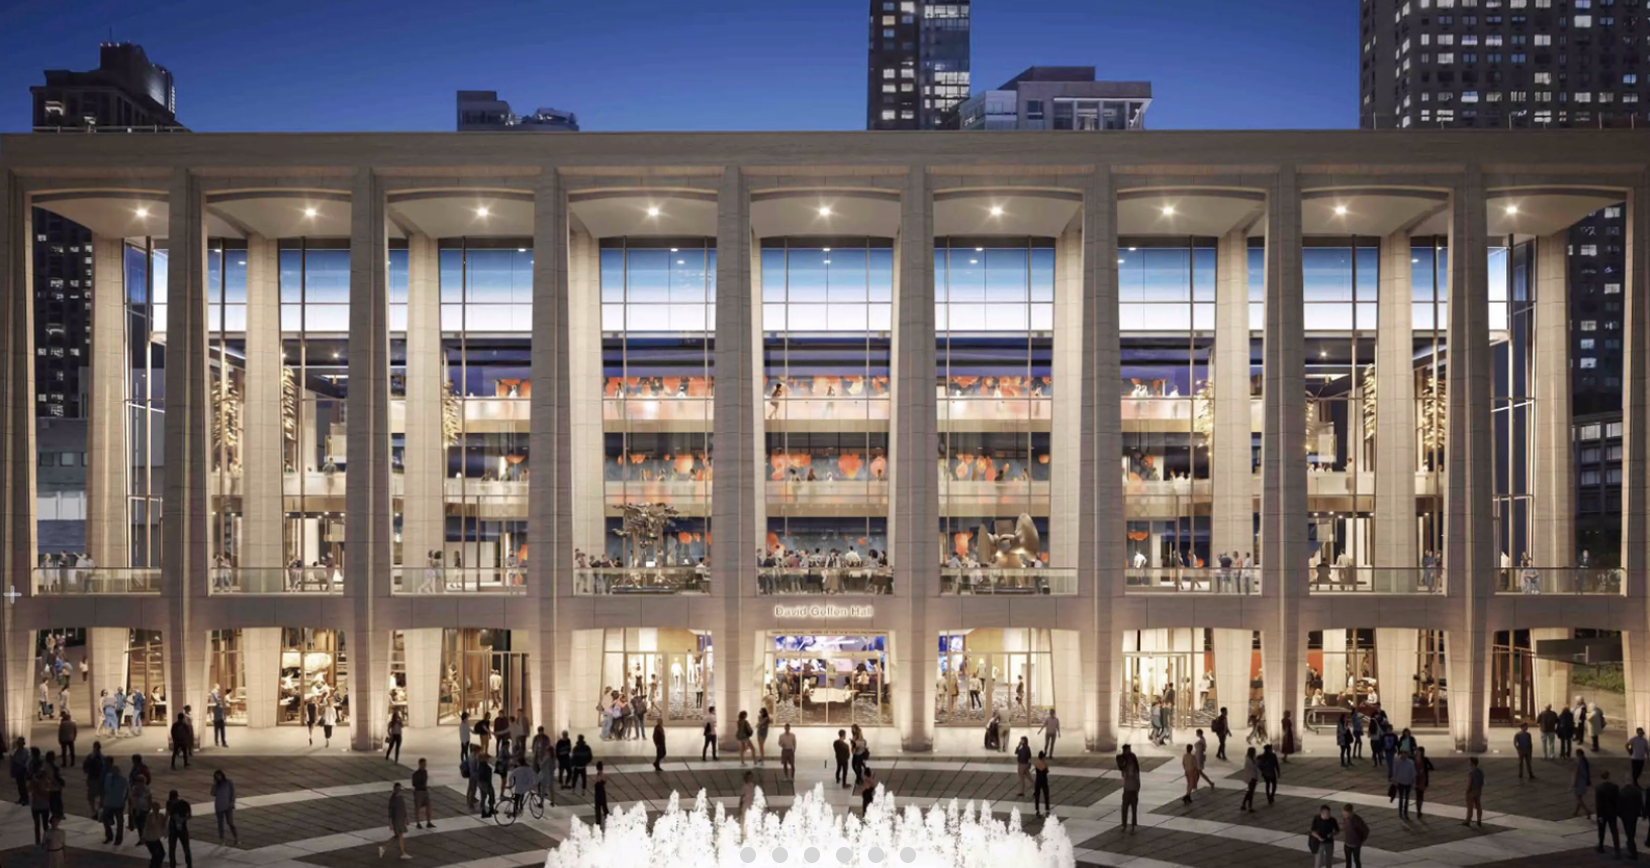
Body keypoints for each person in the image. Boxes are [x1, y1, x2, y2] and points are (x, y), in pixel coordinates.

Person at [376, 782, 410, 860]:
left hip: (400, 819)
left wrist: (406, 818)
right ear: (395, 790)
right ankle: (402, 853)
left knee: (398, 836)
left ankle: (384, 847)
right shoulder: (393, 799)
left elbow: (403, 808)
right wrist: (390, 823)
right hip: (397, 820)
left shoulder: (400, 797)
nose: (399, 790)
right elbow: (390, 812)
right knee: (400, 835)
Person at [1599, 770, 1624, 858]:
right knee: (1614, 830)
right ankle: (1617, 849)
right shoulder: (1615, 787)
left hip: (1603, 812)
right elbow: (1618, 800)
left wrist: (1599, 815)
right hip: (1612, 812)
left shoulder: (1599, 788)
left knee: (1602, 830)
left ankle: (1600, 846)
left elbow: (1599, 803)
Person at [101, 761, 128, 844]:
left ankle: (119, 838)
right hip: (108, 802)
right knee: (105, 819)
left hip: (118, 803)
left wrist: (124, 799)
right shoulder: (108, 777)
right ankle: (109, 835)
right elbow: (105, 789)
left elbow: (127, 790)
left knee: (119, 821)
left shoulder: (123, 780)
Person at [211, 770, 239, 846]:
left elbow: (233, 793)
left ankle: (236, 837)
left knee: (230, 823)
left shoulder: (228, 782)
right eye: (216, 776)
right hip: (219, 806)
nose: (218, 777)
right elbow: (212, 793)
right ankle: (222, 839)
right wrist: (214, 785)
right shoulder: (217, 784)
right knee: (220, 824)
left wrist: (232, 803)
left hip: (228, 806)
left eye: (219, 776)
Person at [166, 789, 193, 868]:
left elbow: (167, 814)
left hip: (173, 828)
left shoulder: (169, 803)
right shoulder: (185, 804)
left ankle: (172, 864)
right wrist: (183, 819)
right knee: (186, 847)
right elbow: (189, 816)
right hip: (182, 827)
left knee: (172, 847)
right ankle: (189, 864)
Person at [1117, 744, 1142, 830]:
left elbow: (1137, 770)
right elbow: (1121, 766)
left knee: (1133, 807)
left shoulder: (1132, 757)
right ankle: (1124, 824)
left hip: (1133, 788)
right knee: (1125, 807)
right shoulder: (1122, 758)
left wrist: (1138, 784)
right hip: (1128, 788)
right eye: (1128, 749)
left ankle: (1132, 825)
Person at [1620, 777, 1644, 861]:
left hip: (1625, 815)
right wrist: (1642, 813)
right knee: (1632, 830)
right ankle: (1630, 845)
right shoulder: (1637, 791)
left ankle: (1633, 851)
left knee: (1629, 833)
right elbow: (1640, 803)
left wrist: (1619, 814)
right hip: (1634, 815)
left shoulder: (1622, 792)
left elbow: (1619, 804)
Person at [1391, 750, 1416, 820]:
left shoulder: (1410, 762)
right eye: (1402, 754)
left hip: (1408, 782)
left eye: (1405, 754)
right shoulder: (1397, 761)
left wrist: (1413, 781)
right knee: (1401, 798)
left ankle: (1405, 813)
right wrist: (1394, 780)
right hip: (1400, 782)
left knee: (1407, 798)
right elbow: (1395, 770)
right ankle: (1400, 812)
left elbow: (1413, 772)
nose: (1403, 755)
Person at [141, 801, 166, 868]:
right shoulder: (150, 816)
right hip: (149, 839)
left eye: (157, 807)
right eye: (155, 807)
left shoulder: (161, 815)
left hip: (155, 838)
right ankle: (155, 866)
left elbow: (164, 824)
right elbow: (148, 826)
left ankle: (156, 866)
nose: (157, 809)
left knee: (160, 854)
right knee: (156, 854)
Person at [412, 758, 434, 829]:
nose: (424, 765)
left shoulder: (425, 772)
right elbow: (414, 784)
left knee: (429, 806)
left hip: (425, 791)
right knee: (417, 808)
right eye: (423, 764)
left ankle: (429, 822)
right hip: (419, 791)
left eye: (425, 764)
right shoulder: (416, 774)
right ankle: (418, 823)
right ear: (420, 764)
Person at [1413, 746, 1435, 817]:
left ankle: (1419, 809)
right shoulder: (1413, 760)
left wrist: (1426, 769)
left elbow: (1431, 767)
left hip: (1423, 779)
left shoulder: (1425, 759)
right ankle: (1418, 810)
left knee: (1421, 795)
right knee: (1418, 795)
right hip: (1415, 779)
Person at [1463, 757, 1485, 829]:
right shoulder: (1480, 772)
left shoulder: (1471, 773)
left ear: (1472, 763)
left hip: (1471, 791)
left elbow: (1470, 783)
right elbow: (1482, 782)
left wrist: (1467, 791)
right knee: (1478, 806)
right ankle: (1479, 820)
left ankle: (1468, 821)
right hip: (1478, 791)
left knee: (1470, 807)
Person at [474, 750, 496, 817]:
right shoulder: (484, 767)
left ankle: (485, 810)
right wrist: (489, 785)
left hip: (481, 783)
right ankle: (488, 810)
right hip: (485, 783)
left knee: (485, 797)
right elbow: (486, 777)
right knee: (489, 795)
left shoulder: (479, 766)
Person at [1576, 748, 1595, 819]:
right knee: (1579, 797)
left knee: (1578, 798)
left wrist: (1575, 782)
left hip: (1580, 781)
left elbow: (1577, 772)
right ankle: (1576, 811)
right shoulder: (1585, 761)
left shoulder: (1579, 761)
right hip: (1584, 781)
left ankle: (1587, 811)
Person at [1240, 746, 1260, 812]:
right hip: (1251, 777)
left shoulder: (1252, 758)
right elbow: (1254, 767)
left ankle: (1244, 804)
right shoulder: (1248, 760)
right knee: (1250, 792)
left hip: (1253, 777)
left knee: (1250, 791)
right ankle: (1249, 806)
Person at [1032, 751, 1051, 817]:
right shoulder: (1044, 764)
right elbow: (1047, 771)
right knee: (1046, 795)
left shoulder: (1037, 763)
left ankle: (1037, 810)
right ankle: (1047, 809)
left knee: (1037, 796)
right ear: (1043, 757)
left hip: (1038, 781)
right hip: (1044, 781)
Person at [593, 762, 610, 828]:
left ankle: (599, 822)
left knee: (599, 808)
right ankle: (606, 819)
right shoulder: (602, 775)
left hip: (599, 793)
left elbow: (598, 781)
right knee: (603, 807)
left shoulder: (600, 775)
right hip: (601, 793)